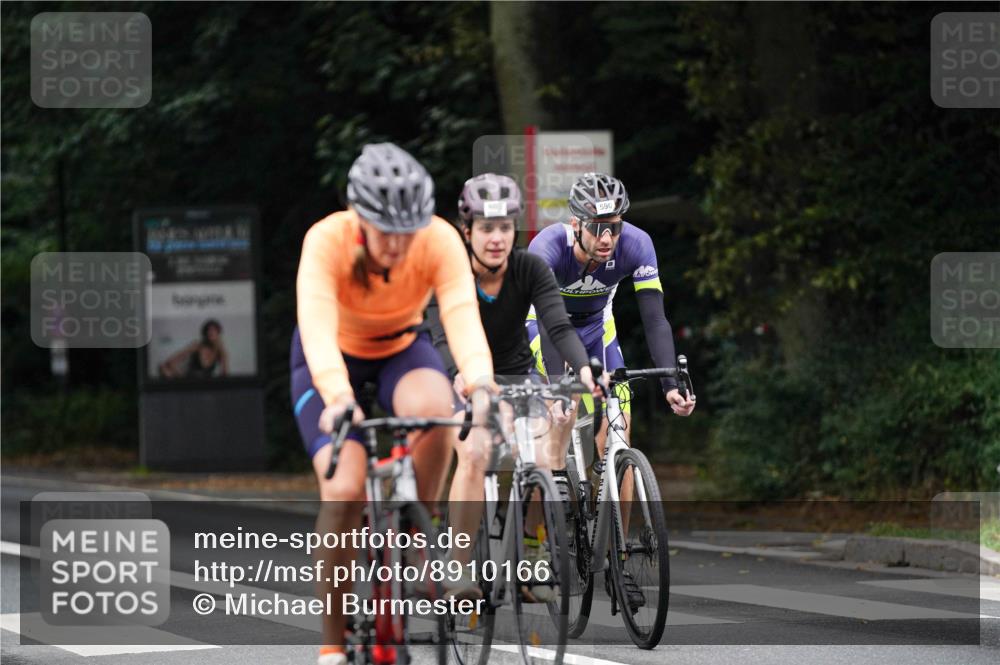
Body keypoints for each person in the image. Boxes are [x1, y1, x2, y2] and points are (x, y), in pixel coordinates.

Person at [290, 143, 494, 665]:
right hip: (331, 355)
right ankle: (333, 643)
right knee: (344, 488)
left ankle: (418, 530)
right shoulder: (327, 240)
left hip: (401, 347)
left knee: (438, 410)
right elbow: (316, 327)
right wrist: (338, 396)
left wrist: (481, 383)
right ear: (358, 219)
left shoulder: (439, 239)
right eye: (386, 232)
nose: (399, 245)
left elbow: (461, 315)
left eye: (409, 231)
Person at [424, 173, 600, 601]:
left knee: (543, 456)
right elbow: (439, 333)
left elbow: (558, 326)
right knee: (475, 451)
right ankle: (458, 565)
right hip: (460, 376)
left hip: (517, 374)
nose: (496, 238)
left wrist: (582, 369)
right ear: (467, 230)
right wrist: (458, 373)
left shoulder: (530, 268)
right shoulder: (449, 271)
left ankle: (532, 550)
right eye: (486, 227)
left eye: (505, 227)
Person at [526, 173, 696, 605]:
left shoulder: (636, 244)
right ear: (576, 224)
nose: (607, 238)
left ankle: (616, 559)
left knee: (619, 434)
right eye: (598, 227)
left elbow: (654, 318)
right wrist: (558, 388)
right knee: (560, 417)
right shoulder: (547, 247)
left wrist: (670, 384)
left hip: (598, 331)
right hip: (546, 328)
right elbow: (547, 323)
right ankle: (546, 526)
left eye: (614, 227)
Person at [158, 319, 229, 378]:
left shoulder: (220, 350)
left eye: (214, 331)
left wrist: (222, 352)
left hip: (207, 385)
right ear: (205, 333)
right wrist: (180, 376)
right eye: (209, 330)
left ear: (218, 334)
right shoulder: (197, 346)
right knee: (163, 368)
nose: (211, 333)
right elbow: (170, 362)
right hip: (190, 381)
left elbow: (225, 374)